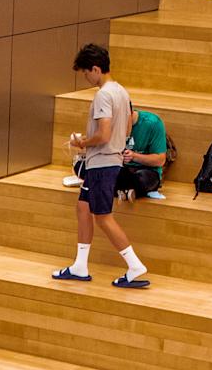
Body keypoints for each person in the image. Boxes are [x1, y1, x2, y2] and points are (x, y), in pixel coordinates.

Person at [52, 44, 152, 290]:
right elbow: (127, 128)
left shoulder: (103, 95)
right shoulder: (122, 92)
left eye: (86, 73)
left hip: (102, 164)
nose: (86, 78)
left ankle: (134, 265)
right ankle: (80, 265)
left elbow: (104, 134)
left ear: (96, 69)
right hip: (109, 161)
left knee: (103, 216)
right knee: (83, 207)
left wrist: (82, 142)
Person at [117, 107, 171, 201]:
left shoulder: (153, 122)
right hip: (123, 169)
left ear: (130, 113)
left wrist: (134, 156)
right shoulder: (111, 124)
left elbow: (160, 160)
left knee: (144, 179)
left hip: (147, 171)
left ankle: (123, 189)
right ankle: (128, 190)